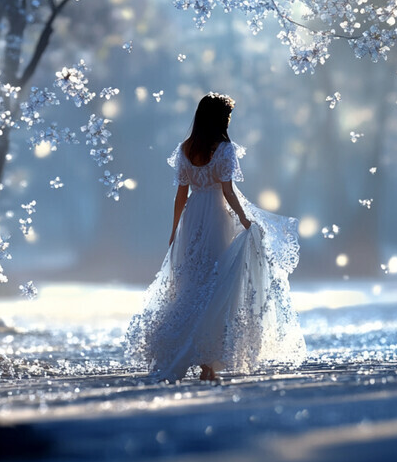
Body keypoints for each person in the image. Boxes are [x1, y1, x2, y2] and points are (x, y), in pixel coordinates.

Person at [125, 92, 306, 382]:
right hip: (216, 217)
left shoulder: (185, 149)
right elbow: (227, 190)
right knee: (217, 283)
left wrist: (174, 230)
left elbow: (181, 194)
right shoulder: (224, 149)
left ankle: (197, 357)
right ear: (219, 119)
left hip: (193, 216)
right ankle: (207, 362)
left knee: (193, 282)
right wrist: (245, 219)